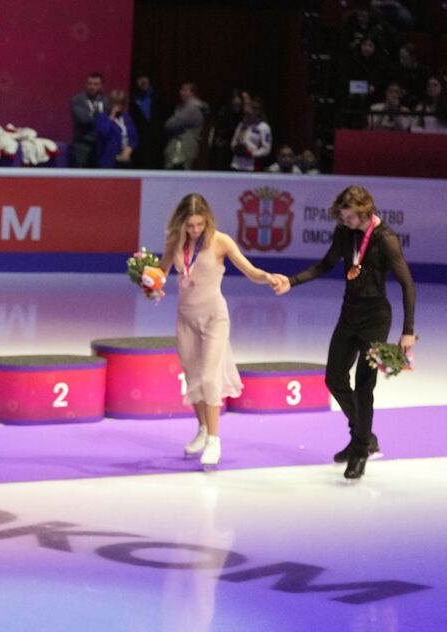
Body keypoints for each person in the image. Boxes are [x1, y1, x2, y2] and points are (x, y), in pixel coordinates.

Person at [272, 186, 417, 479]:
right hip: (349, 312)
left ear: (364, 212)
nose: (345, 221)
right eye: (342, 216)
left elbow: (408, 284)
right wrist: (292, 281)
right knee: (334, 377)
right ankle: (364, 435)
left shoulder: (385, 239)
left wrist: (408, 331)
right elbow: (326, 264)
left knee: (364, 386)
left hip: (376, 318)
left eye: (349, 217)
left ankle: (361, 449)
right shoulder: (344, 232)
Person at [157, 195, 284, 468]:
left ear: (207, 220)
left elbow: (250, 271)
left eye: (199, 224)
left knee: (208, 376)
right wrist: (148, 282)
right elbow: (161, 273)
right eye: (189, 225)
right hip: (186, 318)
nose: (194, 230)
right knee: (193, 377)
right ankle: (202, 429)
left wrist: (268, 278)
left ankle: (214, 439)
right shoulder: (175, 242)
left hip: (215, 317)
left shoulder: (221, 241)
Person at [68, 72, 108, 168]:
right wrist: (102, 118)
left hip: (100, 146)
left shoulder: (106, 101)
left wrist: (94, 117)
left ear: (101, 86)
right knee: (80, 178)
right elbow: (83, 119)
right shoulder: (78, 100)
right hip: (82, 145)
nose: (92, 87)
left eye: (96, 84)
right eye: (89, 83)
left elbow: (111, 120)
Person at [164, 82, 206, 170]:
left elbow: (170, 124)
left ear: (192, 93)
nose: (181, 93)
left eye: (184, 90)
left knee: (178, 173)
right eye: (181, 90)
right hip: (185, 146)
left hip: (183, 147)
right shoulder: (185, 107)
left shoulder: (191, 108)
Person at [94, 88, 138, 168]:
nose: (117, 106)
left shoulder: (127, 118)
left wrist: (129, 148)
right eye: (114, 103)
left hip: (125, 160)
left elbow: (134, 137)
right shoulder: (102, 117)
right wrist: (111, 117)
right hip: (108, 160)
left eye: (120, 103)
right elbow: (104, 133)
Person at [230, 95, 272, 171]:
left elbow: (266, 149)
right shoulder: (242, 124)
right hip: (236, 164)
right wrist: (235, 148)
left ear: (259, 111)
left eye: (254, 108)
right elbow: (234, 140)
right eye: (249, 107)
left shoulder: (264, 127)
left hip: (251, 166)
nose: (250, 110)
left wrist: (250, 153)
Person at [130, 73, 163, 169]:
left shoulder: (157, 97)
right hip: (139, 142)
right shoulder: (133, 99)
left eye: (145, 78)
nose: (143, 81)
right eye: (140, 79)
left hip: (155, 142)